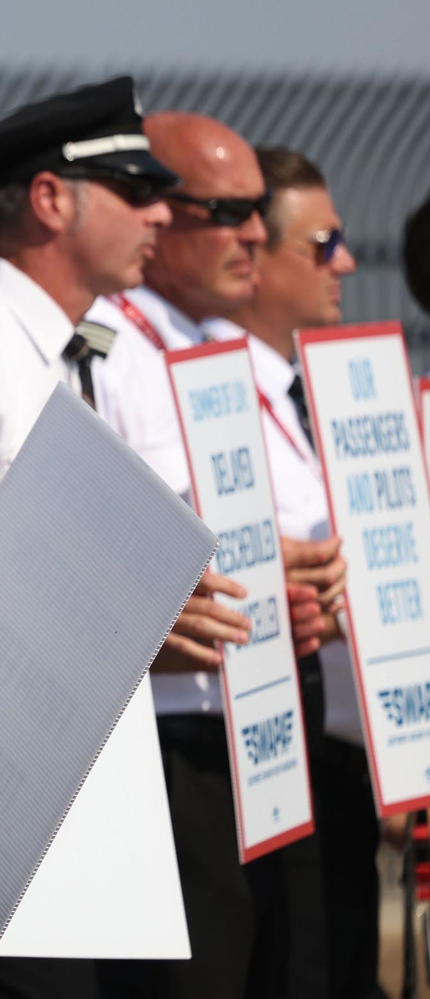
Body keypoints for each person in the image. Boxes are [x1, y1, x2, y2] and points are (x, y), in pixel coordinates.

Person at [0, 75, 207, 999]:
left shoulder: (83, 354)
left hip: (74, 799)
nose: (161, 215)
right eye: (138, 191)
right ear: (52, 200)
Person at [85, 113, 342, 998]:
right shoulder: (105, 350)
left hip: (256, 719)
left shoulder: (212, 346)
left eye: (258, 217)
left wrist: (297, 579)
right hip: (166, 737)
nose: (255, 234)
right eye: (229, 211)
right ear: (158, 211)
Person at [210, 146, 372, 999]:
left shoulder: (310, 390)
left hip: (340, 758)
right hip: (257, 757)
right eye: (323, 242)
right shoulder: (209, 393)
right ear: (257, 255)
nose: (344, 260)